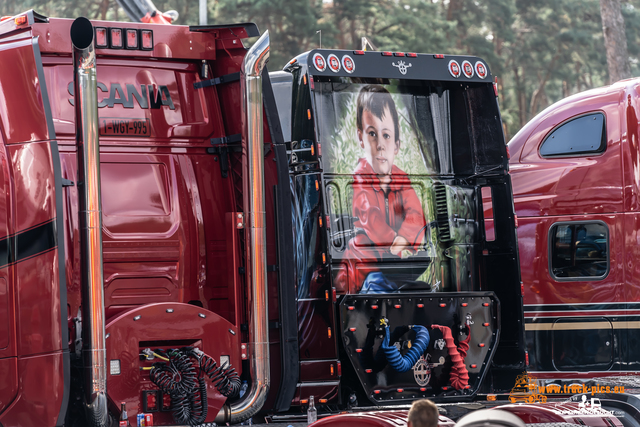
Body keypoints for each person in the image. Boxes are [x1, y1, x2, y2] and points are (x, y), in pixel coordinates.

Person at [336, 85, 427, 294]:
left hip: (392, 268)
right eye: (372, 134)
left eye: (386, 135)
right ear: (360, 138)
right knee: (377, 288)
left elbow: (416, 214)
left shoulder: (402, 179)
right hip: (360, 274)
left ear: (396, 144)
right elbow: (370, 217)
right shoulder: (360, 177)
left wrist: (404, 237)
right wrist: (393, 241)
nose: (380, 145)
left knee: (410, 294)